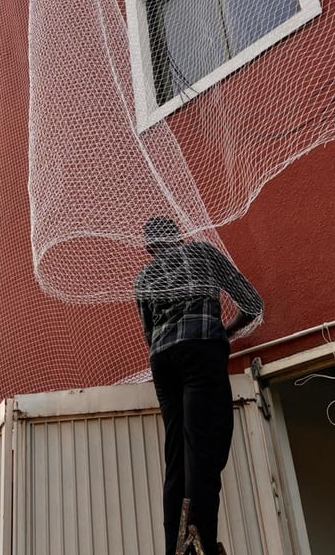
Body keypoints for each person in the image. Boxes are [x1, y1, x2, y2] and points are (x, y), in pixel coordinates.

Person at [134, 217, 263, 555]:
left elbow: (150, 336)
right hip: (201, 350)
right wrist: (225, 330)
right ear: (178, 235)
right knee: (203, 451)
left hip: (164, 362)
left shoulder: (144, 277)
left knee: (176, 455)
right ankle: (197, 544)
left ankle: (175, 547)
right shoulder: (203, 254)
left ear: (149, 247)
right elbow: (252, 302)